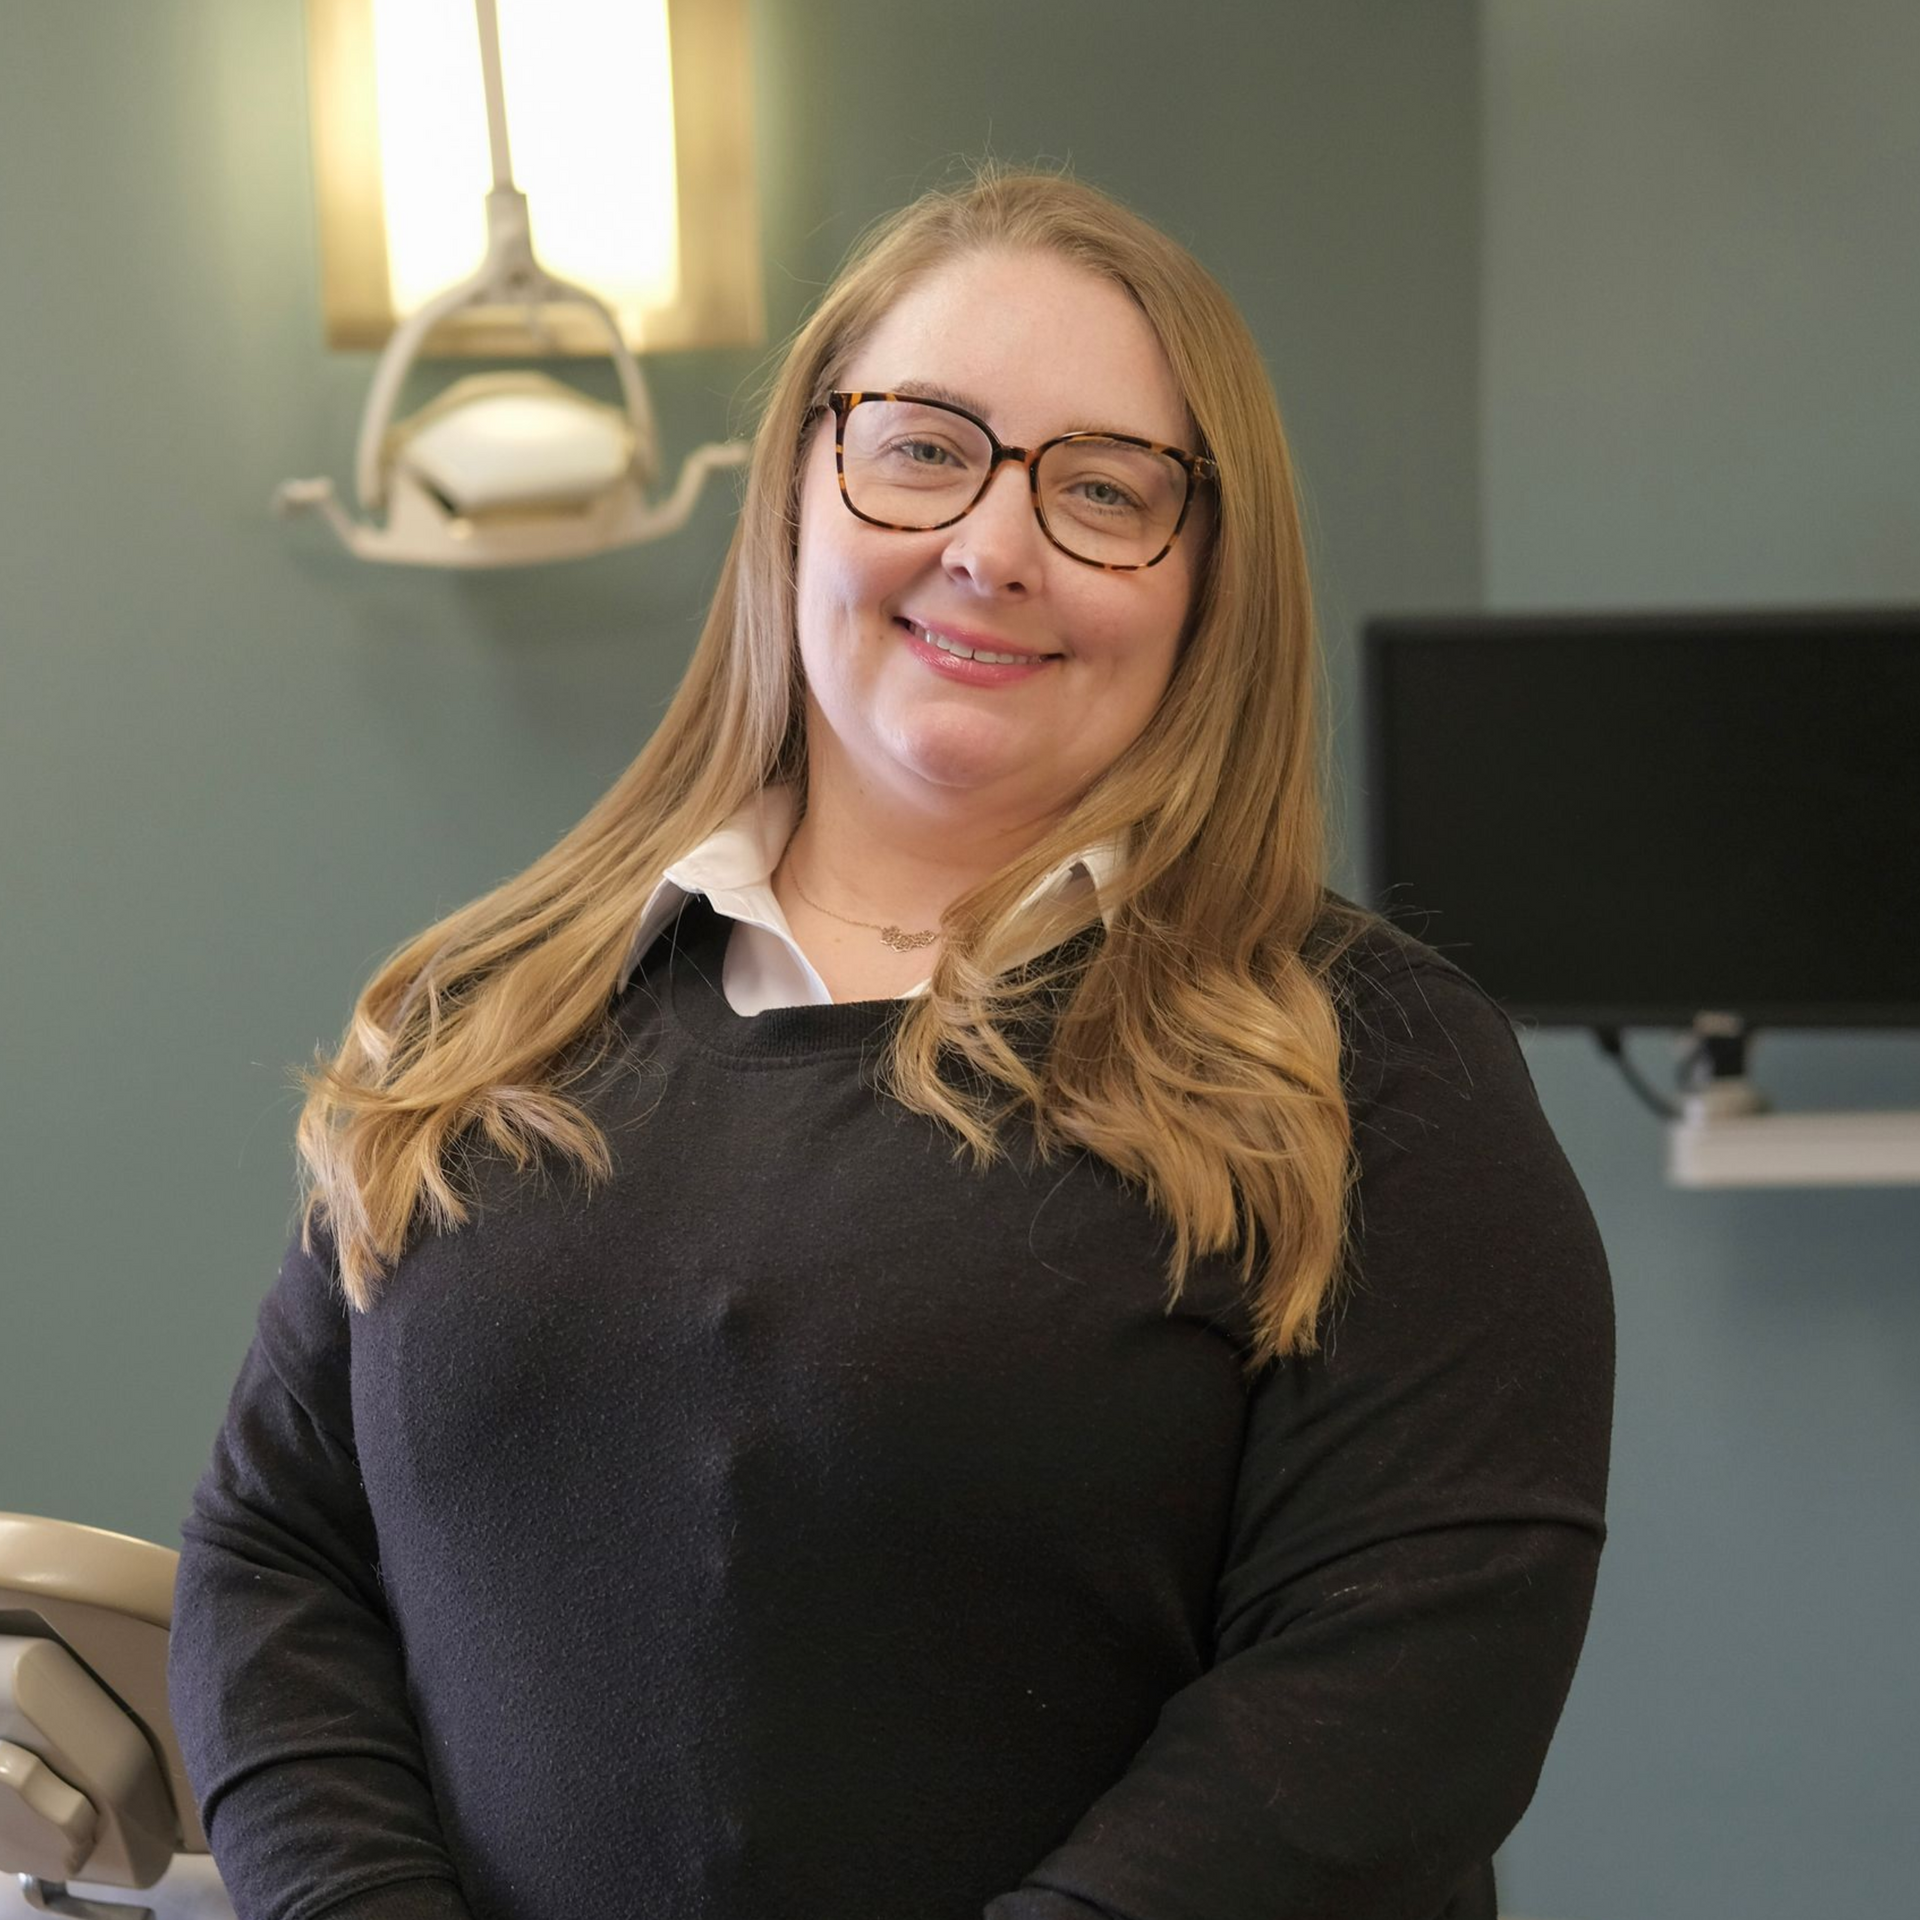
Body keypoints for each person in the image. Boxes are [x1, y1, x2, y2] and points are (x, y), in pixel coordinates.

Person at [169, 167, 1613, 1920]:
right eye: (924, 448)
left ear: (1208, 578)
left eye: (1102, 490)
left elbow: (1401, 1693)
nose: (992, 546)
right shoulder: (493, 1016)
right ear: (797, 490)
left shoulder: (1370, 1065)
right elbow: (277, 1560)